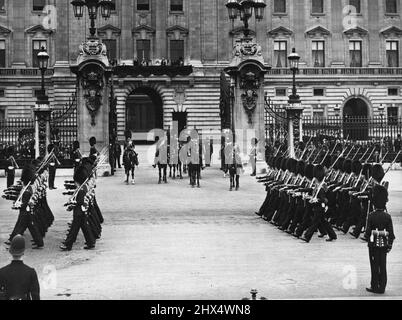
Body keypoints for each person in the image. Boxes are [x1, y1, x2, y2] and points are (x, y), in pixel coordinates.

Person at [364, 185, 395, 294]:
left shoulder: (371, 215)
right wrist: (389, 245)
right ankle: (382, 286)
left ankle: (375, 285)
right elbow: (391, 234)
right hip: (384, 245)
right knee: (383, 265)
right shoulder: (387, 216)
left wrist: (369, 238)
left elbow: (367, 233)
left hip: (373, 245)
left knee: (374, 265)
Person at [0, 235, 40, 300]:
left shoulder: (2, 272)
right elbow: (35, 296)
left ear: (11, 252)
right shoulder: (31, 272)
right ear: (23, 252)